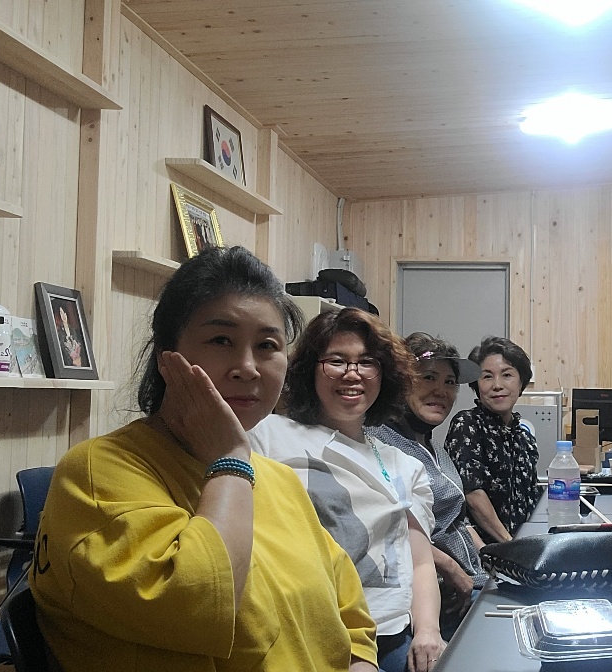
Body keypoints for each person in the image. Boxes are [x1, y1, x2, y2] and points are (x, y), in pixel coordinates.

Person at [31, 246, 377, 672]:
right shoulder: (97, 471)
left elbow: (346, 601)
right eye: (221, 340)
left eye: (267, 345)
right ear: (167, 357)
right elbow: (197, 601)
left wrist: (361, 659)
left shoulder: (277, 478)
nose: (248, 367)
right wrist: (230, 458)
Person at [250, 308, 446, 672]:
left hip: (390, 636)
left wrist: (427, 632)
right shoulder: (268, 437)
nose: (352, 373)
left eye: (367, 362)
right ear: (310, 370)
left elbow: (419, 560)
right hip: (303, 636)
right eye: (336, 361)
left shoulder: (405, 465)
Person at [366, 333, 489, 636]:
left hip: (473, 580)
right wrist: (451, 568)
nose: (440, 390)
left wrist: (495, 558)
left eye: (450, 382)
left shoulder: (434, 448)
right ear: (401, 380)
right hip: (435, 599)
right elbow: (389, 528)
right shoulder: (378, 441)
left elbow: (456, 520)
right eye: (428, 377)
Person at [445, 336, 541, 544]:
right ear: (477, 385)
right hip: (481, 550)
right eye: (487, 377)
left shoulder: (524, 437)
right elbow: (473, 495)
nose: (497, 385)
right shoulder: (467, 424)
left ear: (521, 382)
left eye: (507, 375)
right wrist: (509, 545)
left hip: (521, 545)